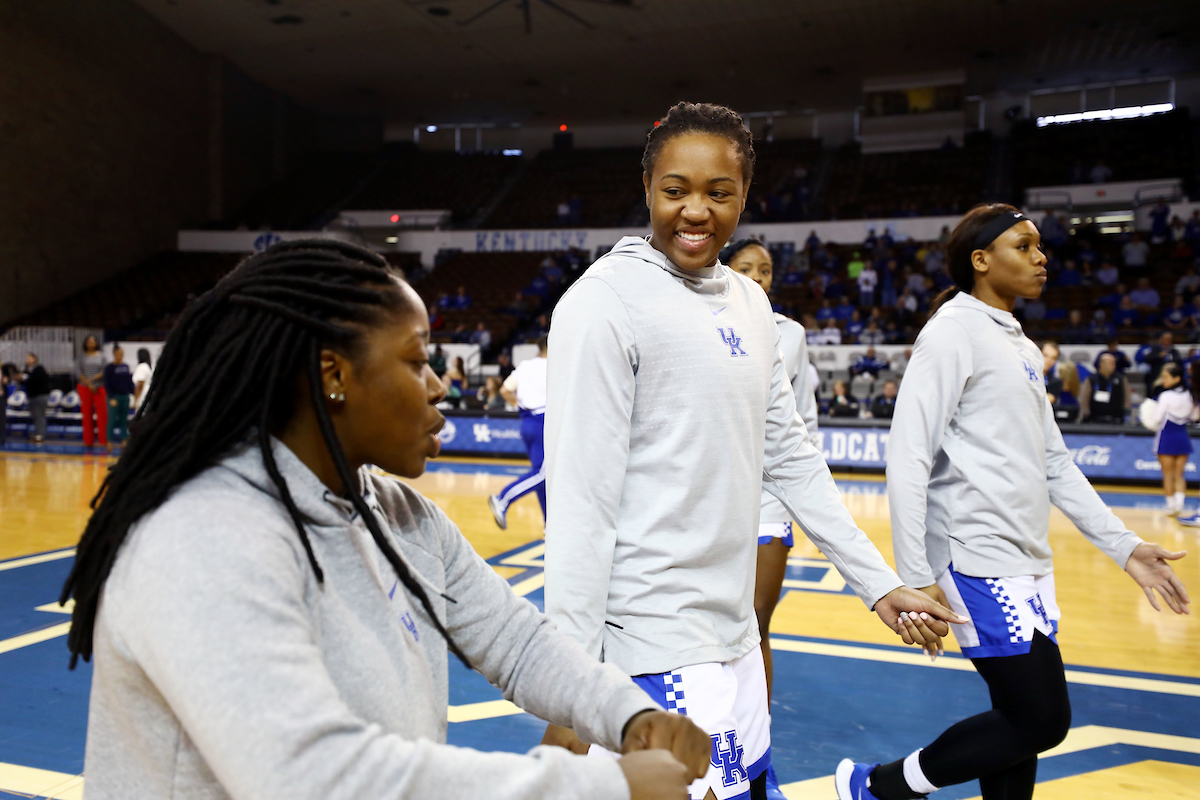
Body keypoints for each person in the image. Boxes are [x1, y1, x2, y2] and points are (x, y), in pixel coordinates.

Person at [60, 239, 712, 800]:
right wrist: (604, 786)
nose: (439, 386)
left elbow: (516, 642)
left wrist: (629, 716)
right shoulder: (202, 538)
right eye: (417, 359)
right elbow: (315, 779)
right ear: (333, 374)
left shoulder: (397, 512)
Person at [541, 102, 962, 800]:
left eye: (719, 192)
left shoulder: (749, 303)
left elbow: (791, 456)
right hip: (655, 642)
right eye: (675, 191)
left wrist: (878, 582)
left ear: (746, 196)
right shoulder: (601, 303)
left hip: (734, 636)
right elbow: (581, 503)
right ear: (646, 187)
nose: (695, 211)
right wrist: (568, 686)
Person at [837, 204, 1191, 800]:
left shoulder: (1021, 344)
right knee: (1041, 719)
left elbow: (1053, 462)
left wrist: (1125, 546)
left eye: (1039, 247)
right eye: (1023, 246)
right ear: (981, 261)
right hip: (975, 559)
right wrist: (918, 577)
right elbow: (909, 457)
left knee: (1018, 722)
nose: (1040, 257)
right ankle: (883, 786)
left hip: (1027, 559)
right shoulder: (952, 331)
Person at [722, 237, 820, 790]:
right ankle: (722, 737)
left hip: (769, 496)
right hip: (712, 496)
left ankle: (757, 746)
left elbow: (803, 418)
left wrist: (803, 495)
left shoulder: (792, 334)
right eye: (746, 268)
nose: (758, 277)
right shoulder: (698, 317)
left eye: (766, 270)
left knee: (758, 620)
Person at [488, 336, 549, 528]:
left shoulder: (525, 366)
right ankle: (503, 498)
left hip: (527, 422)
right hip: (544, 422)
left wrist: (518, 405)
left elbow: (505, 390)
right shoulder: (555, 365)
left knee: (541, 475)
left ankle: (550, 524)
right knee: (543, 474)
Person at [1149, 362, 1196, 515]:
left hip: (1167, 436)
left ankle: (1170, 506)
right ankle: (1180, 506)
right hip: (1182, 436)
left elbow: (1157, 418)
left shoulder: (1165, 396)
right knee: (1179, 475)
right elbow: (1195, 416)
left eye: (1166, 377)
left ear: (1176, 378)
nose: (1163, 380)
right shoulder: (1190, 394)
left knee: (1168, 475)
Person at [1079, 353, 1128, 424]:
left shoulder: (1120, 379)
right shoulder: (1092, 379)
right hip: (1095, 419)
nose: (1114, 366)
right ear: (1102, 364)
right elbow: (1084, 398)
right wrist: (1086, 412)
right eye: (1111, 363)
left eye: (1114, 363)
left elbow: (1127, 397)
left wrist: (1127, 411)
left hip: (1116, 419)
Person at [103, 345, 136, 450]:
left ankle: (124, 440)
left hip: (125, 396)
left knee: (123, 420)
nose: (120, 356)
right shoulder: (109, 368)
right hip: (114, 397)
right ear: (114, 354)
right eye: (118, 354)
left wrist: (134, 394)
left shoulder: (126, 366)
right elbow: (107, 384)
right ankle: (109, 441)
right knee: (112, 420)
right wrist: (111, 397)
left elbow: (130, 382)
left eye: (121, 354)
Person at [77, 335, 108, 448]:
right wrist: (88, 383)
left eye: (93, 341)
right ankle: (88, 441)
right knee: (87, 414)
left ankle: (103, 441)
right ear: (85, 343)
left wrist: (93, 380)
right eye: (89, 341)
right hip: (84, 387)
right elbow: (78, 372)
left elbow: (104, 371)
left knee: (102, 415)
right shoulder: (81, 357)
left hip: (99, 387)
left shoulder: (102, 357)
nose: (91, 343)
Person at [21, 352, 51, 444]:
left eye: (29, 358)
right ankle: (36, 433)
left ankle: (40, 435)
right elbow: (25, 382)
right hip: (32, 396)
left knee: (40, 415)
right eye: (26, 358)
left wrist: (26, 378)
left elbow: (36, 380)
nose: (27, 360)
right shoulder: (27, 370)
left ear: (34, 359)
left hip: (40, 395)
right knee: (34, 415)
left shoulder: (39, 369)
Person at [132, 349, 154, 413]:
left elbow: (140, 384)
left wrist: (135, 400)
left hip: (142, 397)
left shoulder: (141, 367)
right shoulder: (150, 367)